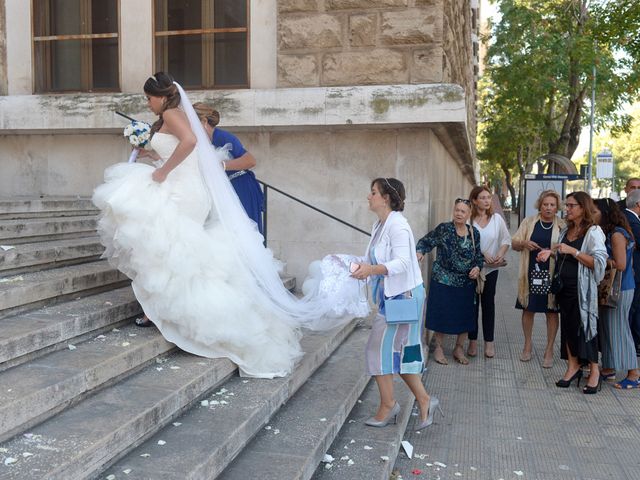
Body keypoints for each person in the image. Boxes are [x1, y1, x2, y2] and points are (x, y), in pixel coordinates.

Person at [92, 72, 358, 378]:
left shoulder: (170, 113)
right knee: (173, 246)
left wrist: (163, 171)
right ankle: (166, 310)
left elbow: (190, 142)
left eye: (149, 98)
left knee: (164, 242)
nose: (148, 103)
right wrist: (149, 151)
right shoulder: (173, 115)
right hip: (186, 187)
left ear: (162, 96)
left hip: (183, 189)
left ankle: (184, 314)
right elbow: (180, 146)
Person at [350, 178, 441, 431]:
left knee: (377, 350)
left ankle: (390, 405)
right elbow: (375, 258)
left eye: (373, 192)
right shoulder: (379, 225)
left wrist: (370, 269)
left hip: (404, 297)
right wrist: (357, 264)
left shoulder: (398, 226)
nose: (369, 197)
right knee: (400, 354)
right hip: (393, 297)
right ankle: (424, 401)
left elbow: (402, 262)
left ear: (386, 198)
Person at [537, 192, 607, 394]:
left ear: (582, 208)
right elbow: (562, 250)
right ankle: (573, 366)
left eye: (570, 206)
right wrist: (550, 252)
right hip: (563, 288)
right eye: (566, 205)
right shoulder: (566, 230)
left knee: (586, 328)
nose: (566, 209)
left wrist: (574, 252)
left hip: (582, 290)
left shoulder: (593, 231)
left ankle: (594, 370)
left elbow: (599, 263)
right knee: (567, 326)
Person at [416, 198, 484, 366]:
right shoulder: (444, 229)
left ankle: (459, 348)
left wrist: (477, 267)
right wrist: (420, 251)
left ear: (469, 214)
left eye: (463, 211)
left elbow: (478, 257)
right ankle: (438, 348)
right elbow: (426, 241)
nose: (459, 214)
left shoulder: (474, 233)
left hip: (466, 281)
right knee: (442, 313)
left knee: (465, 316)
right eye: (457, 210)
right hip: (443, 279)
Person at [192, 103, 265, 235]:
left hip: (241, 186)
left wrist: (222, 166)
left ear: (203, 121)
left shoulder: (222, 137)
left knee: (245, 231)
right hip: (223, 190)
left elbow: (250, 160)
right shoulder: (199, 141)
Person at [511, 190, 564, 368]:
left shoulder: (562, 225)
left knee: (551, 312)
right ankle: (527, 344)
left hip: (552, 275)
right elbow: (514, 243)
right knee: (528, 309)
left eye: (552, 205)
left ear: (557, 207)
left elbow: (565, 250)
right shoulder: (528, 222)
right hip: (530, 274)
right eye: (545, 204)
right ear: (539, 205)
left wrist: (552, 253)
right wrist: (524, 243)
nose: (548, 208)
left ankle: (549, 349)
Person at [594, 198, 638, 388]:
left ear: (604, 213)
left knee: (619, 329)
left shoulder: (617, 235)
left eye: (594, 211)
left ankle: (634, 373)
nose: (591, 214)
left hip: (621, 288)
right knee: (608, 328)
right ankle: (609, 368)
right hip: (616, 288)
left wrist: (601, 259)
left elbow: (620, 264)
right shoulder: (613, 232)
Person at [467, 186, 511, 359]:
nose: (487, 201)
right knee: (472, 306)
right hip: (471, 270)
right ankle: (472, 341)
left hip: (491, 270)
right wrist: (482, 252)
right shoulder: (469, 220)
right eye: (483, 197)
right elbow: (464, 243)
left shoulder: (496, 219)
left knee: (488, 305)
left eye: (488, 197)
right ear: (475, 200)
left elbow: (506, 239)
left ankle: (489, 343)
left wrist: (499, 255)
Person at [622, 190, 640, 354]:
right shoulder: (633, 222)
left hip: (632, 274)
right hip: (633, 273)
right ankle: (632, 345)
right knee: (633, 310)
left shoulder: (629, 219)